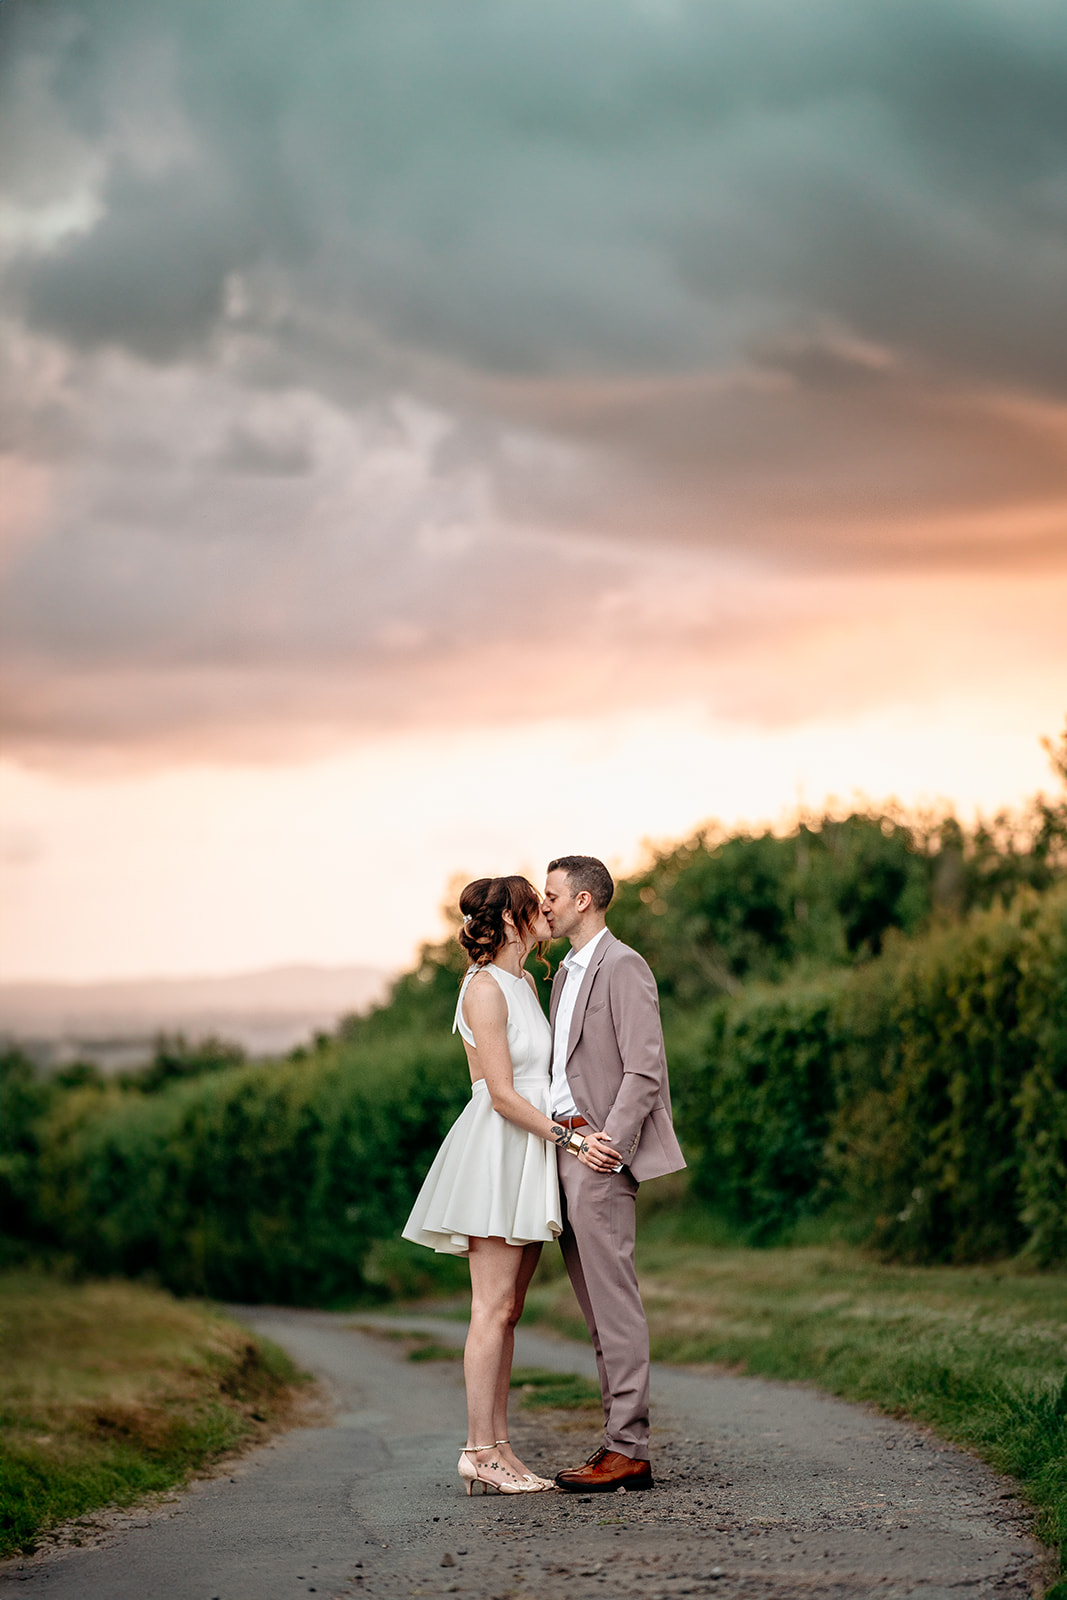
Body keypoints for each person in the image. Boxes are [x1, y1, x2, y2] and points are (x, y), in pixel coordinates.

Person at [402, 874, 620, 1496]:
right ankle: (477, 1449)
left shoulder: (525, 982)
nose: (548, 910)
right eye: (537, 905)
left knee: (510, 1310)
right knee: (490, 1308)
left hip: (530, 1146)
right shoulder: (484, 990)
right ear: (514, 919)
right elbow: (500, 1095)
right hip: (499, 1151)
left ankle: (499, 1448)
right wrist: (571, 1139)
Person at [542, 854, 686, 1493]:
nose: (542, 905)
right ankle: (617, 1444)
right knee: (597, 1311)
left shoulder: (623, 965)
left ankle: (629, 1449)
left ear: (584, 900)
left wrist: (614, 1146)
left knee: (615, 1306)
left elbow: (645, 1067)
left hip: (599, 1158)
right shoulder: (562, 975)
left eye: (551, 895)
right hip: (565, 1152)